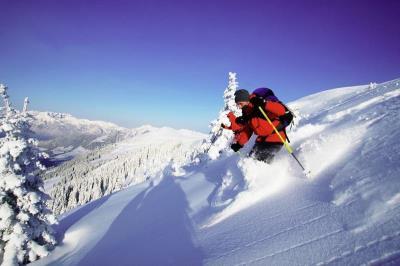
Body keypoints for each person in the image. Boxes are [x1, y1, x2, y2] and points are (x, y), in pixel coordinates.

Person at [222, 88, 288, 163]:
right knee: (249, 162)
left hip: (275, 138)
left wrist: (264, 104)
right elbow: (248, 130)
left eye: (240, 103)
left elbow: (281, 110)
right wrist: (239, 144)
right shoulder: (247, 111)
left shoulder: (259, 101)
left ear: (246, 100)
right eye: (237, 104)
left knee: (258, 165)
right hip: (261, 140)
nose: (239, 107)